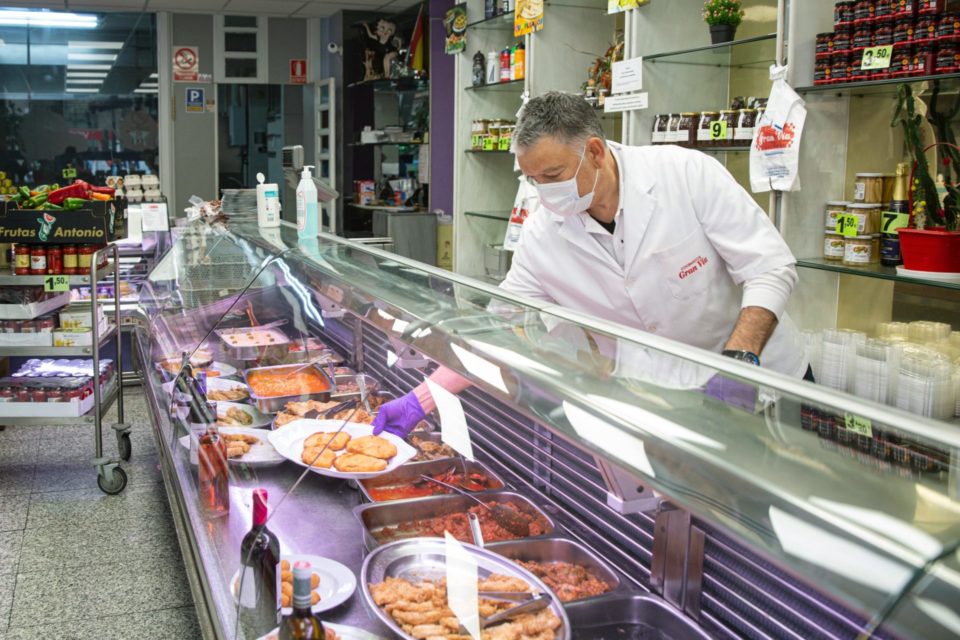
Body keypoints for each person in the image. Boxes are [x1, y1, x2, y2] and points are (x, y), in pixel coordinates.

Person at [374, 91, 809, 438]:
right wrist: (422, 400)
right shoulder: (542, 235)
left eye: (554, 175)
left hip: (762, 385)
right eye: (531, 179)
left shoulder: (686, 174)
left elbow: (769, 269)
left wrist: (738, 364)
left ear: (596, 152)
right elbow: (498, 331)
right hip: (666, 400)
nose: (543, 191)